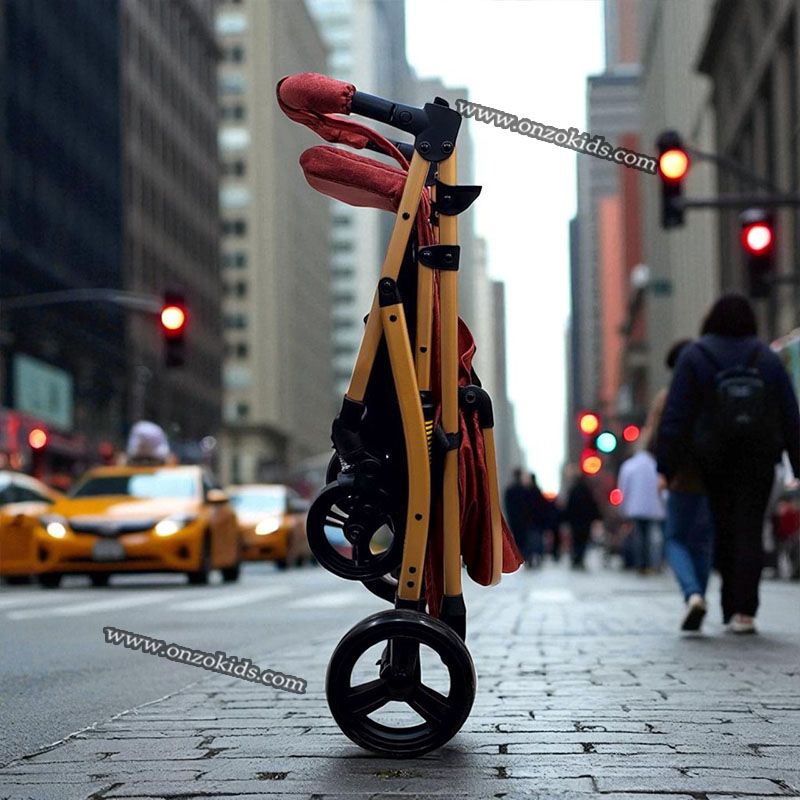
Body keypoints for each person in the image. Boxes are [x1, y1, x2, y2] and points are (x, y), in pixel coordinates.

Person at [658, 294, 800, 634]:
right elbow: (789, 413)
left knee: (722, 526)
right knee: (749, 526)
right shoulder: (765, 356)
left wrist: (667, 465)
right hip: (759, 456)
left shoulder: (695, 355)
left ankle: (727, 605)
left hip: (713, 456)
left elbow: (675, 415)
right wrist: (797, 461)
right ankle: (744, 611)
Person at [651, 339, 716, 631]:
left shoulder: (669, 397)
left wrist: (663, 470)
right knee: (702, 542)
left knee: (675, 539)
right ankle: (699, 595)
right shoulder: (713, 387)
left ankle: (693, 594)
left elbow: (657, 437)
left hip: (681, 477)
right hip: (711, 476)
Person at [618, 424, 666, 574]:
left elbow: (623, 488)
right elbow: (662, 487)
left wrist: (623, 506)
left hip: (636, 507)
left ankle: (640, 564)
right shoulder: (655, 465)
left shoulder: (629, 466)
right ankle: (652, 564)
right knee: (653, 537)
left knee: (639, 536)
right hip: (653, 507)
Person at [563, 474, 601, 569]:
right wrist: (597, 517)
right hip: (585, 522)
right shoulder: (587, 491)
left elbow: (569, 506)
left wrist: (566, 518)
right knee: (583, 541)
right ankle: (580, 558)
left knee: (576, 540)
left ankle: (576, 558)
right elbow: (593, 506)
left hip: (575, 521)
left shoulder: (573, 491)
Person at [504, 469, 532, 565]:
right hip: (523, 519)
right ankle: (523, 555)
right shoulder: (524, 490)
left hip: (515, 519)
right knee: (523, 538)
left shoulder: (510, 490)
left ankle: (520, 555)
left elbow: (507, 505)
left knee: (518, 538)